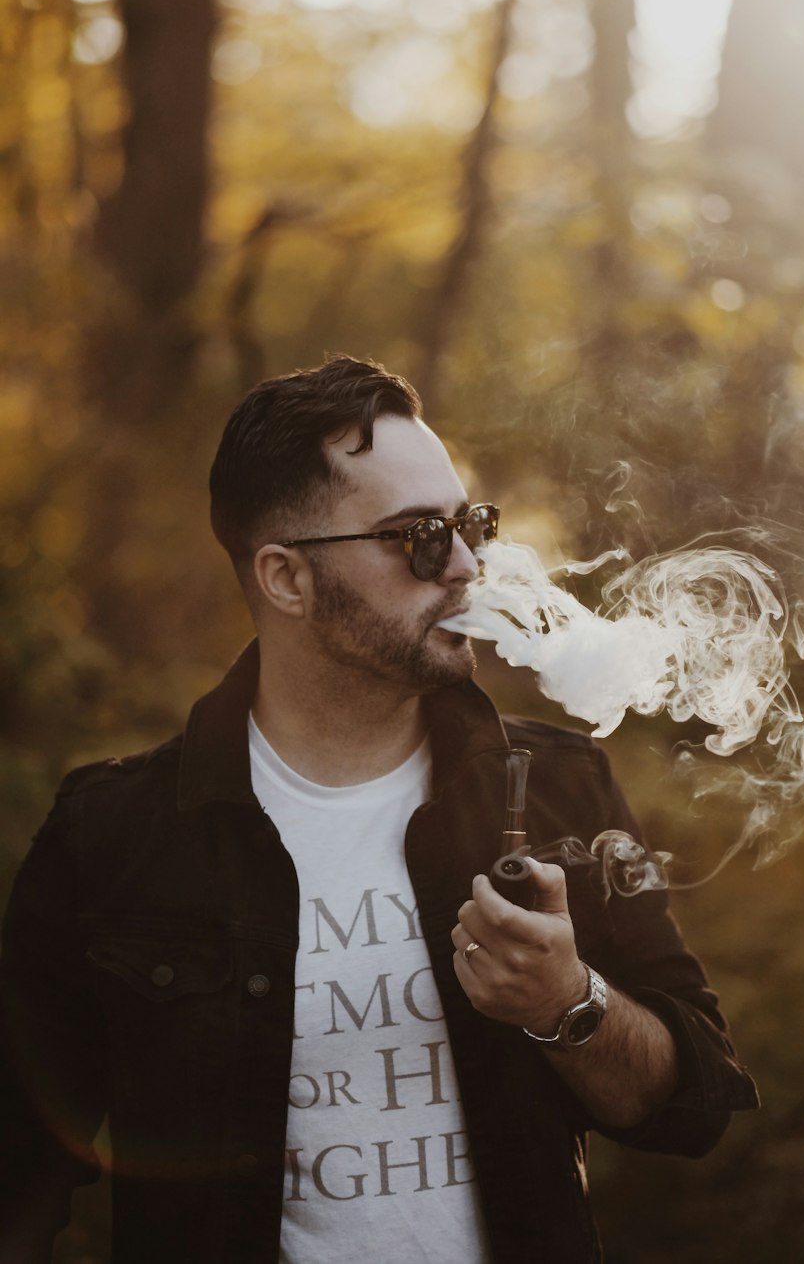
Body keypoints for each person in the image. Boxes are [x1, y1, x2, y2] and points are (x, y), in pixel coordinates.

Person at [0, 355, 758, 1264]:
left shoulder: (558, 786)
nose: (469, 564)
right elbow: (19, 1167)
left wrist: (568, 1002)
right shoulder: (112, 835)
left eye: (468, 524)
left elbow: (696, 1104)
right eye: (418, 537)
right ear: (286, 578)